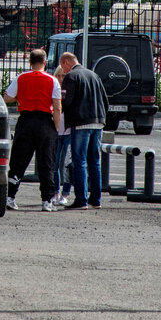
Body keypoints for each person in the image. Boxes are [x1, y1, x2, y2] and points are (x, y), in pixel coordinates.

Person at [2, 48, 61, 212]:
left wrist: (20, 97)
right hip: (44, 122)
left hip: (26, 121)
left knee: (18, 162)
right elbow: (57, 107)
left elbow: (6, 97)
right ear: (45, 62)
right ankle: (47, 200)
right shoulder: (52, 80)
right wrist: (55, 127)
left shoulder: (21, 78)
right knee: (46, 163)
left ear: (30, 62)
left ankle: (10, 196)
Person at [58, 51, 109, 210]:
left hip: (80, 123)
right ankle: (96, 199)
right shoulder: (94, 75)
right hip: (98, 122)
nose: (63, 71)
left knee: (79, 160)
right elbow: (105, 100)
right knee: (95, 161)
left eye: (63, 67)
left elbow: (66, 101)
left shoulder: (71, 77)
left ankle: (81, 200)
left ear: (66, 62)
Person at [50, 61, 75, 208]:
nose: (61, 78)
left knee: (66, 164)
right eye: (58, 75)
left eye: (63, 75)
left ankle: (65, 193)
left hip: (68, 131)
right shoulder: (53, 91)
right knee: (55, 164)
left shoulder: (70, 90)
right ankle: (55, 191)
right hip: (56, 131)